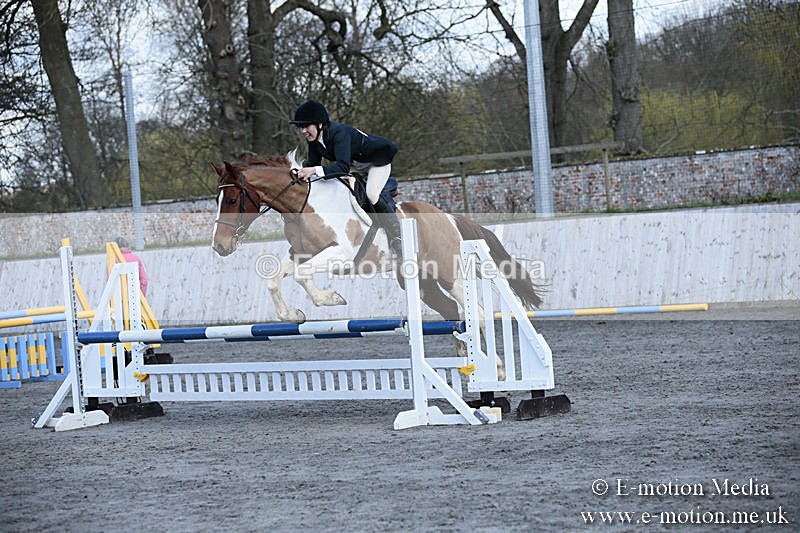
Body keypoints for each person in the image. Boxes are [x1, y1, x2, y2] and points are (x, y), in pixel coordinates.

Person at [289, 100, 403, 257]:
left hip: (376, 161)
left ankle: (398, 238)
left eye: (306, 126)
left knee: (371, 194)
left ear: (320, 124)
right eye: (300, 127)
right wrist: (299, 174)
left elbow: (340, 167)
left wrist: (314, 170)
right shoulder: (314, 141)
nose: (303, 131)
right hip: (355, 165)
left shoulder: (339, 133)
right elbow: (313, 165)